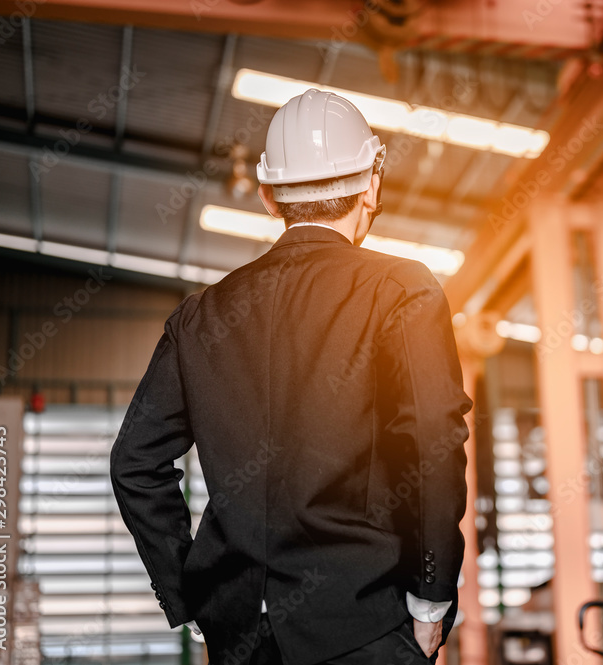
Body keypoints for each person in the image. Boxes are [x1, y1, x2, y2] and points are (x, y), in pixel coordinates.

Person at [110, 88, 473, 665]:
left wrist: (191, 597)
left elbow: (134, 464)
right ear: (371, 185)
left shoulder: (202, 315)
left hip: (239, 637)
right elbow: (433, 442)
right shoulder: (401, 290)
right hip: (365, 625)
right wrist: (431, 601)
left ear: (266, 196)